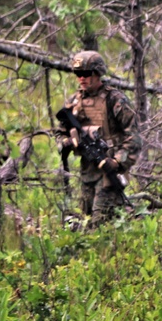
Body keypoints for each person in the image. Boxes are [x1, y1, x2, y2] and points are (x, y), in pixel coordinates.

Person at [54, 50, 142, 228]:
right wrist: (67, 143)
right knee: (85, 222)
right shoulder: (74, 102)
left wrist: (117, 162)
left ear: (97, 73)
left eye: (86, 74)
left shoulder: (115, 99)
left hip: (108, 173)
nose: (82, 78)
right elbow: (60, 132)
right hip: (87, 172)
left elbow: (134, 137)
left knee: (99, 224)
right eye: (78, 74)